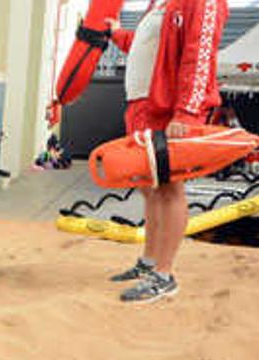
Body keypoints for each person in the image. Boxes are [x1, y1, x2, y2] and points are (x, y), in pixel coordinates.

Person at [106, 0, 227, 303]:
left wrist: (186, 112)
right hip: (142, 106)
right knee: (149, 189)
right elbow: (148, 48)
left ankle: (164, 274)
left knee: (170, 188)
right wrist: (116, 34)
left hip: (167, 109)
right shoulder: (158, 4)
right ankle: (148, 263)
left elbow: (200, 54)